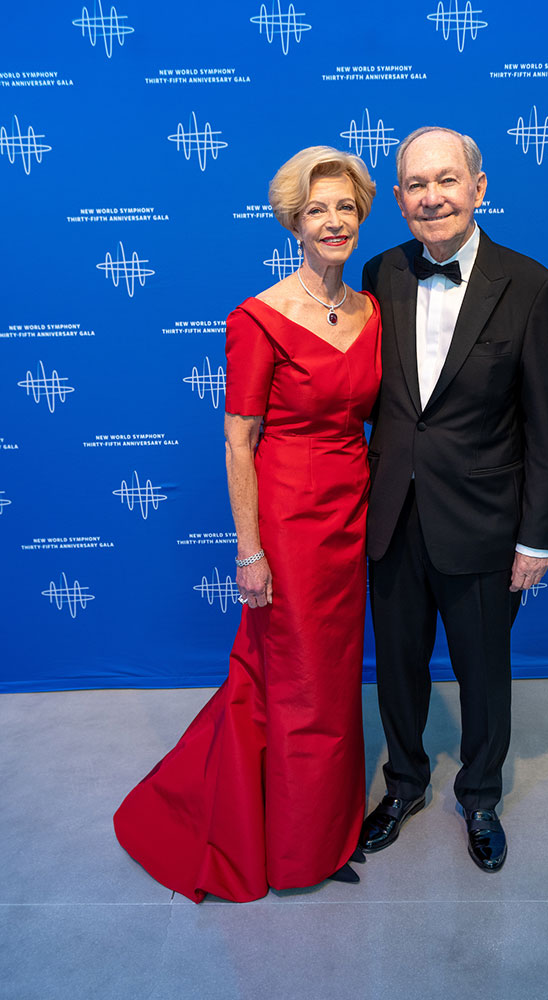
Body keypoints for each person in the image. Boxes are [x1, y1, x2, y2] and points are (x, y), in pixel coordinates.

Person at [114, 147, 380, 902]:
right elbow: (239, 441)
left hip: (352, 513)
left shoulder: (371, 312)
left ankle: (330, 829)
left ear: (361, 216)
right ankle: (294, 849)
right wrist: (250, 551)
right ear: (293, 222)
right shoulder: (258, 318)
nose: (333, 222)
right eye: (317, 210)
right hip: (289, 519)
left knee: (332, 679)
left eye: (345, 208)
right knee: (295, 681)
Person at [360, 126, 548, 872]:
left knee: (483, 672)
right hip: (392, 519)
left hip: (483, 520)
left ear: (480, 188)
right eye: (416, 185)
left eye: (447, 180)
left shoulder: (531, 284)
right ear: (400, 198)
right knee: (399, 669)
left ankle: (480, 796)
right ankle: (404, 785)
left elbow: (546, 422)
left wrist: (537, 537)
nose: (431, 196)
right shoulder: (378, 272)